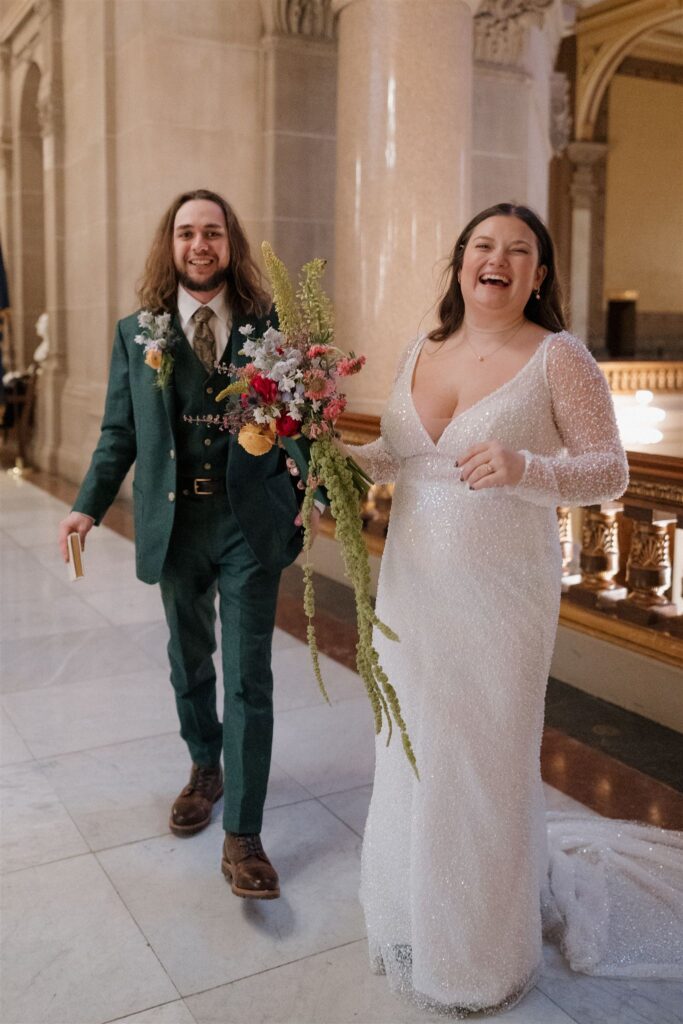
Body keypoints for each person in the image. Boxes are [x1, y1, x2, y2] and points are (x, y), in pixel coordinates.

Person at [348, 203, 682, 1014]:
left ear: (538, 274)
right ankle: (413, 921)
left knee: (480, 760)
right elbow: (399, 456)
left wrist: (526, 464)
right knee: (413, 749)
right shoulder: (418, 349)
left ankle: (480, 958)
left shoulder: (556, 356)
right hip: (412, 587)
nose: (495, 259)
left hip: (499, 591)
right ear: (460, 262)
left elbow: (607, 472)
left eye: (518, 250)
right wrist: (322, 454)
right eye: (481, 246)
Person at [58, 188, 320, 900]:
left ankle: (243, 834)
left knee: (248, 676)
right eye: (185, 233)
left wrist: (312, 494)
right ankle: (206, 766)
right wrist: (86, 506)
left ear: (230, 244)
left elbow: (303, 425)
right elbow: (120, 433)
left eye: (212, 232)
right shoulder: (135, 333)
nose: (199, 245)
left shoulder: (269, 330)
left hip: (247, 524)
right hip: (174, 526)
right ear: (169, 245)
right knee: (188, 659)